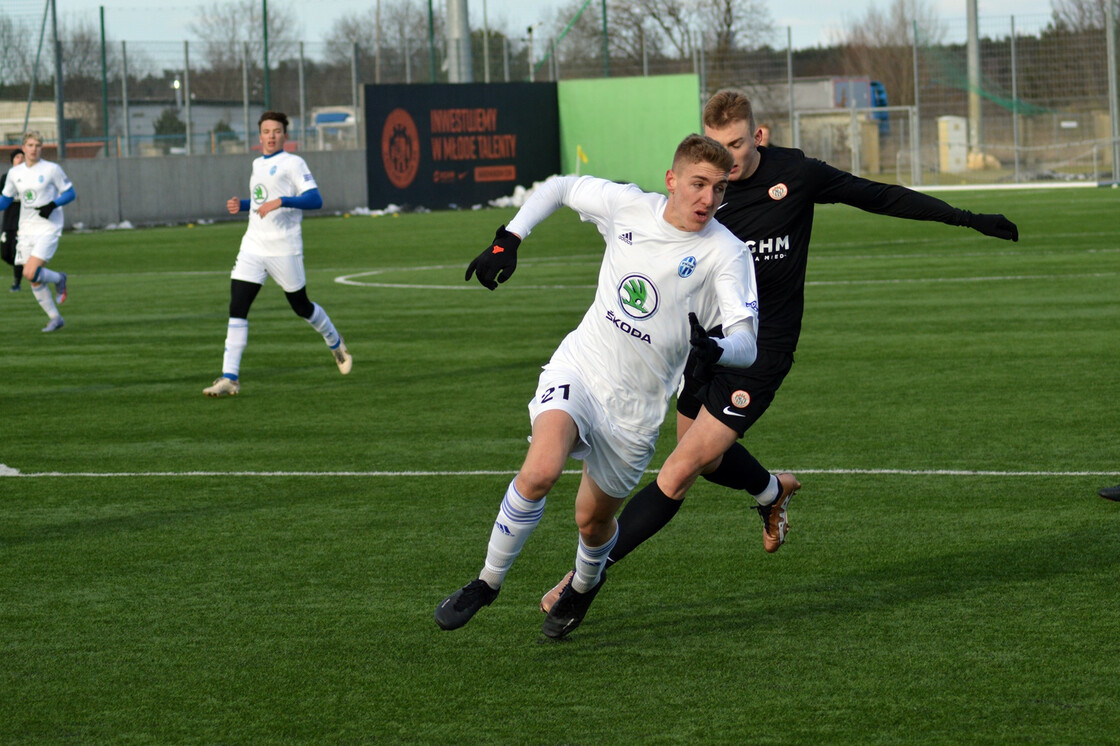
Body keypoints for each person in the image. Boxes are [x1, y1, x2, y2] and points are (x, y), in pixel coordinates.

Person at [541, 89, 1021, 612]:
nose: (729, 159)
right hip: (705, 348)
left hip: (761, 352)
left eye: (739, 145)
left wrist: (965, 217)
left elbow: (878, 195)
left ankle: (581, 583)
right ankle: (772, 491)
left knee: (677, 470)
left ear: (758, 136)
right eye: (718, 148)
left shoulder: (796, 175)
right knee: (706, 461)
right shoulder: (707, 200)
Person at [434, 134, 760, 640]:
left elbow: (747, 339)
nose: (708, 199)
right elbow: (561, 187)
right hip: (582, 368)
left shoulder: (727, 252)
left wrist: (717, 349)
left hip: (637, 410)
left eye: (719, 189)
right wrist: (509, 238)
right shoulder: (629, 207)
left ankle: (583, 587)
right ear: (672, 180)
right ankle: (486, 582)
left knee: (592, 523)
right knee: (540, 470)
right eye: (698, 184)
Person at [203, 110, 351, 397]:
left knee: (301, 307)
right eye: (266, 132)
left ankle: (335, 341)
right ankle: (229, 377)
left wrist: (283, 201)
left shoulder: (294, 163)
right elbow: (262, 200)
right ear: (259, 137)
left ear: (285, 136)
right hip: (253, 246)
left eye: (277, 131)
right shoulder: (257, 163)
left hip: (284, 248)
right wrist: (243, 204)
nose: (271, 136)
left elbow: (315, 199)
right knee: (237, 307)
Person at [0, 133, 75, 332]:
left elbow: (70, 193)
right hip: (25, 229)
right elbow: (6, 200)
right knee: (32, 278)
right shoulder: (14, 174)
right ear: (23, 148)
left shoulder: (52, 169)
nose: (34, 149)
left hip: (48, 228)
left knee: (30, 271)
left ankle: (59, 279)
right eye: (30, 145)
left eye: (38, 145)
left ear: (42, 148)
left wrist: (53, 204)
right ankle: (55, 317)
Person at [1, 149, 25, 291]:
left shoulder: (31, 178)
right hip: (8, 220)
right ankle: (26, 267)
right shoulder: (6, 178)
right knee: (4, 254)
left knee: (17, 252)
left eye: (23, 157)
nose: (20, 159)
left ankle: (17, 282)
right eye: (17, 157)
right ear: (12, 160)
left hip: (22, 221)